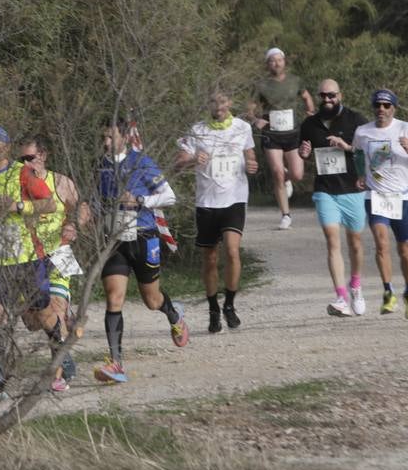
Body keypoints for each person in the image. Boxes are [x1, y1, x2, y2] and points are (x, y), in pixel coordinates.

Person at [94, 118, 185, 384]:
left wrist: (141, 200)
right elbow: (98, 199)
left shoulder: (141, 162)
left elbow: (170, 196)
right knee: (114, 298)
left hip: (143, 237)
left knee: (151, 300)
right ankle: (116, 363)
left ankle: (173, 314)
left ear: (124, 137)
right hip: (115, 241)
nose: (106, 143)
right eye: (104, 138)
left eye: (111, 138)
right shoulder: (101, 166)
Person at [0, 125, 53, 399]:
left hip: (26, 257)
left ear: (5, 147)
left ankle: (61, 353)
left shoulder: (21, 173)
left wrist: (19, 207)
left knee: (40, 315)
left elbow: (50, 204)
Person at [174, 91, 258, 334]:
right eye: (214, 102)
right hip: (207, 201)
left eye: (223, 102)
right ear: (208, 104)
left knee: (232, 251)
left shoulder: (242, 128)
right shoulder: (197, 130)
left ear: (230, 103)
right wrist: (192, 160)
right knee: (210, 259)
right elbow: (178, 163)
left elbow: (250, 156)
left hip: (234, 198)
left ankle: (229, 305)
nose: (219, 106)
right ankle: (213, 308)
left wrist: (252, 165)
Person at [352, 90, 408, 319]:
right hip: (376, 197)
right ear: (373, 107)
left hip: (401, 197)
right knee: (381, 244)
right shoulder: (363, 131)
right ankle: (388, 291)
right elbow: (358, 154)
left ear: (394, 109)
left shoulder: (406, 129)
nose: (382, 109)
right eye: (378, 105)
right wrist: (361, 174)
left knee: (405, 247)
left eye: (386, 106)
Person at [14, 134, 85, 393]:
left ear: (43, 155)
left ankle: (61, 371)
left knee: (53, 309)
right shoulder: (17, 184)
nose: (25, 164)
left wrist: (73, 224)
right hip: (28, 258)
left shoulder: (61, 183)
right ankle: (68, 326)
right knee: (34, 322)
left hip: (59, 254)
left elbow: (82, 207)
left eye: (30, 158)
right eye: (21, 159)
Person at [299, 81, 369, 317]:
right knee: (332, 240)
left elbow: (366, 152)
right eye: (323, 95)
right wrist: (304, 154)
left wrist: (347, 147)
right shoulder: (310, 124)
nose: (327, 99)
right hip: (325, 190)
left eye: (331, 95)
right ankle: (341, 297)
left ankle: (356, 286)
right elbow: (305, 152)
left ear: (340, 95)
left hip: (352, 189)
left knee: (355, 242)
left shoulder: (356, 120)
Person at [247, 48, 315, 231]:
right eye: (272, 61)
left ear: (284, 62)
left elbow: (307, 97)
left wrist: (311, 114)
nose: (276, 63)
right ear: (267, 64)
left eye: (279, 60)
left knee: (298, 174)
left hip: (293, 133)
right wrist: (255, 120)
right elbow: (250, 109)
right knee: (276, 172)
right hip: (272, 133)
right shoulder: (261, 85)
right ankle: (286, 215)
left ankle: (287, 179)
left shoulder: (295, 81)